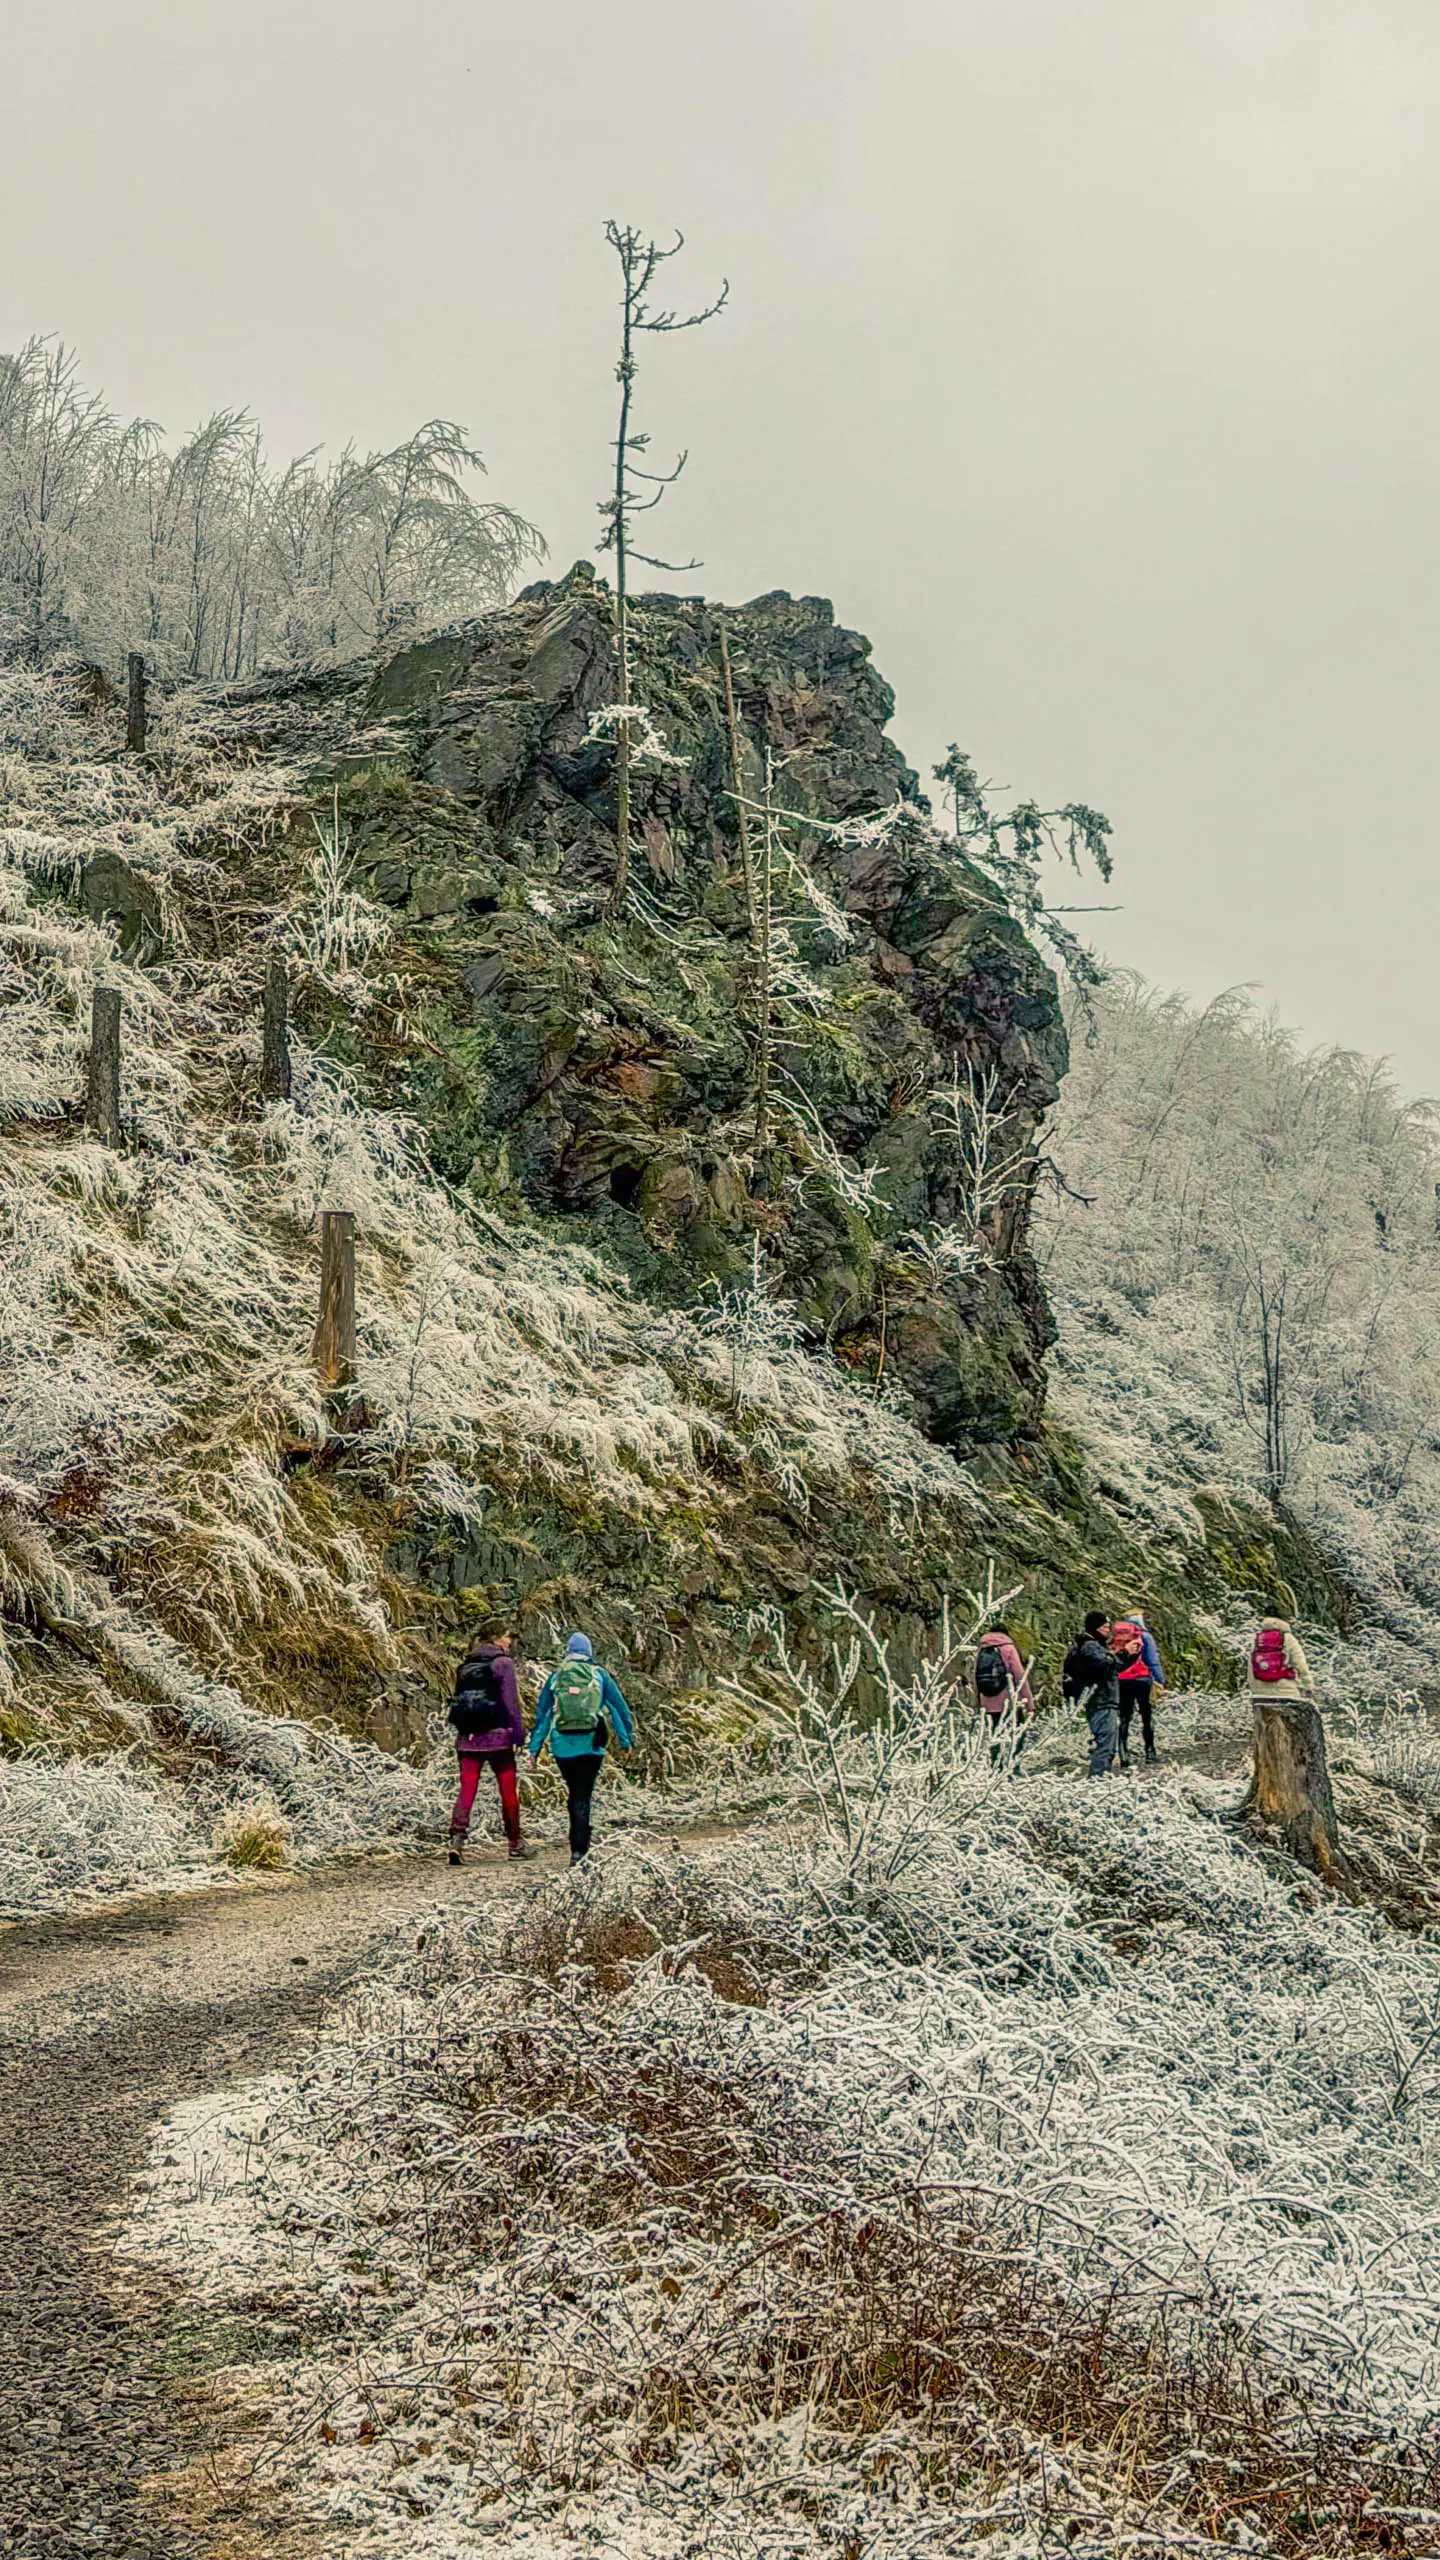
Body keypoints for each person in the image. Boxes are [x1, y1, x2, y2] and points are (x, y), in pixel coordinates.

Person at [529, 1632, 634, 1865]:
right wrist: (626, 1740)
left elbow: (543, 1715)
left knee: (574, 1792)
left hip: (562, 1745)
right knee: (583, 1795)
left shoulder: (556, 1677)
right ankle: (580, 1850)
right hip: (591, 1745)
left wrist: (534, 1749)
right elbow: (619, 1709)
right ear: (589, 1651)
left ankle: (577, 1845)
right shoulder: (599, 1675)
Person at [447, 1627, 537, 1864]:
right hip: (497, 1739)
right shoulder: (503, 1663)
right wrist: (518, 1736)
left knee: (467, 1789)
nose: (509, 1642)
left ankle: (456, 1840)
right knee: (507, 1790)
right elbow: (511, 1703)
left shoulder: (466, 1664)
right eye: (507, 1637)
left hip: (469, 1739)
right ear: (496, 1638)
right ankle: (515, 1844)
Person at [1062, 1611, 1144, 1776]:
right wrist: (1124, 1652)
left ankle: (1100, 1778)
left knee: (1107, 1744)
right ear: (1096, 1628)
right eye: (1105, 1627)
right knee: (1105, 1745)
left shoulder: (1093, 1646)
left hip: (1102, 1700)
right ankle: (1098, 1779)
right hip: (1101, 1701)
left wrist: (1131, 1656)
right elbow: (1106, 1666)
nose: (1108, 1630)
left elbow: (1115, 1666)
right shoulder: (1090, 1647)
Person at [973, 1624, 1036, 1762]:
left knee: (995, 1735)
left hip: (987, 1702)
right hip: (1008, 1702)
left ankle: (995, 1767)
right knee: (1018, 1733)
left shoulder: (981, 1650)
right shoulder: (1008, 1648)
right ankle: (1012, 1766)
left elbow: (975, 1676)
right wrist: (1029, 1702)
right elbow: (1020, 1676)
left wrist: (978, 1701)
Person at [1115, 1611, 1166, 1767]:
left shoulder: (1117, 1637)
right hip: (1142, 1680)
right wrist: (1160, 1680)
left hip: (1122, 1680)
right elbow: (1152, 1660)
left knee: (1124, 1717)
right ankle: (1150, 1751)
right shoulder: (1144, 1636)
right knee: (1146, 1715)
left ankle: (1123, 1753)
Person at [1248, 1614, 1314, 1699]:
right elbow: (1300, 1663)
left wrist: (1252, 1686)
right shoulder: (1288, 1638)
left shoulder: (1256, 1638)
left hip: (1259, 1692)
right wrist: (1308, 1686)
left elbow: (1250, 1665)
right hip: (1285, 1691)